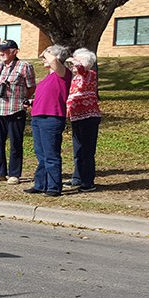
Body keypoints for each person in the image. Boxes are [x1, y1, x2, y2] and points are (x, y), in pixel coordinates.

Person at [25, 45, 72, 197]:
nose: (44, 58)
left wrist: (46, 50)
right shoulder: (48, 77)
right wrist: (32, 102)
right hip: (38, 116)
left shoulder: (63, 73)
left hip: (51, 118)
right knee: (41, 153)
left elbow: (53, 60)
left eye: (48, 55)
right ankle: (41, 184)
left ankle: (54, 187)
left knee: (51, 153)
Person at [0, 39, 36, 184]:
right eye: (0, 50)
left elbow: (31, 87)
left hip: (15, 109)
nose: (1, 53)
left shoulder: (24, 66)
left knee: (15, 142)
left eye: (5, 50)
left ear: (15, 51)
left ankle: (14, 173)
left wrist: (23, 100)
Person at [68, 48, 101, 192]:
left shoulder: (90, 75)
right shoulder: (74, 78)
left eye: (78, 62)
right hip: (76, 116)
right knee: (78, 150)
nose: (74, 66)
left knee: (87, 151)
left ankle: (88, 181)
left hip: (89, 116)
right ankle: (77, 178)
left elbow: (82, 69)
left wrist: (74, 60)